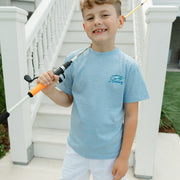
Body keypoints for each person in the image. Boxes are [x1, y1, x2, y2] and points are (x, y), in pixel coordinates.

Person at [37, 0, 149, 179]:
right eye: (90, 17)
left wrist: (124, 157)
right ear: (84, 26)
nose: (97, 21)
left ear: (120, 21)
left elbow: (131, 115)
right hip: (75, 150)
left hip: (109, 155)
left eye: (104, 15)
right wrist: (49, 90)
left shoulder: (129, 67)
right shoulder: (74, 60)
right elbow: (67, 100)